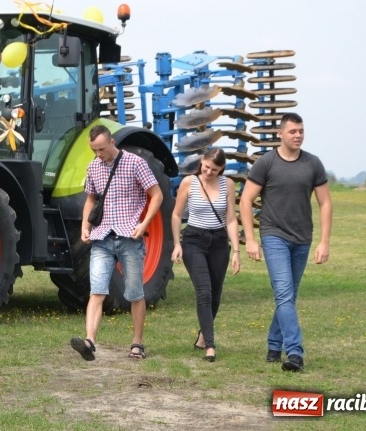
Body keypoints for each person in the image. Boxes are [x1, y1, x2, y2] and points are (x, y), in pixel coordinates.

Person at [239, 112, 332, 372]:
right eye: (293, 131)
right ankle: (295, 353)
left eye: (301, 131)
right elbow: (246, 200)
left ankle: (273, 343)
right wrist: (251, 239)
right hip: (274, 235)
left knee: (288, 296)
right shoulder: (266, 163)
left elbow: (325, 203)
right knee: (284, 293)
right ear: (280, 134)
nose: (298, 135)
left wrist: (324, 242)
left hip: (303, 238)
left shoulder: (313, 164)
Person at [70, 125, 163, 361]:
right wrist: (85, 226)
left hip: (129, 238)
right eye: (94, 150)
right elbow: (91, 199)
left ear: (112, 142)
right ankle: (89, 342)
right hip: (102, 238)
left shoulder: (135, 163)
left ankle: (137, 344)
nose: (98, 154)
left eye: (101, 149)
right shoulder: (93, 167)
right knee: (97, 291)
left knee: (134, 293)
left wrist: (144, 224)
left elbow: (157, 195)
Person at [171, 147, 241, 362]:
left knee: (216, 292)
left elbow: (230, 219)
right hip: (194, 240)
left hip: (219, 241)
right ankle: (210, 345)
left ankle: (203, 334)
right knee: (204, 291)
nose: (209, 172)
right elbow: (175, 215)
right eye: (207, 167)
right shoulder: (188, 183)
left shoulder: (227, 184)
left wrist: (236, 251)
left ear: (222, 169)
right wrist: (176, 244)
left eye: (215, 169)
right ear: (202, 161)